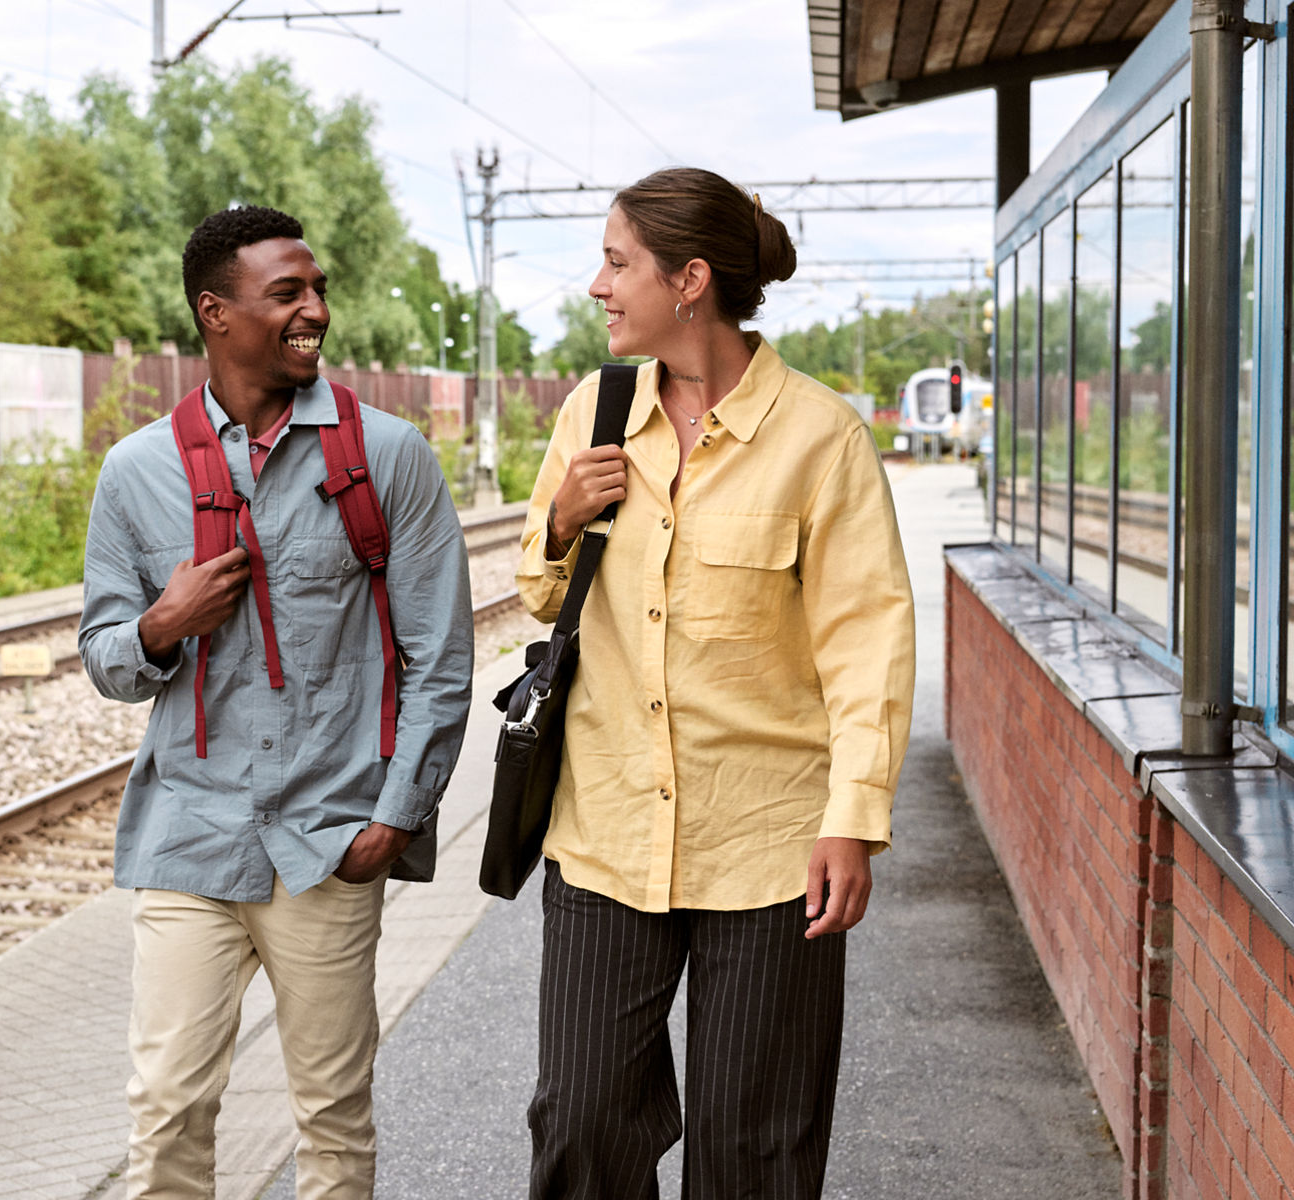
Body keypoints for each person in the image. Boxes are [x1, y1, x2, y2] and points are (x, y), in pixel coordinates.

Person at [515, 167, 915, 1197]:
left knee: (755, 1151)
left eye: (616, 263)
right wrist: (559, 519)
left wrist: (852, 819)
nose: (596, 285)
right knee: (582, 1123)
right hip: (605, 835)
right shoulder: (591, 414)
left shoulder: (820, 439)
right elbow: (536, 592)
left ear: (687, 280)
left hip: (770, 850)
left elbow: (865, 640)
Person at [79, 205, 473, 1200]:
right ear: (216, 313)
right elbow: (104, 657)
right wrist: (161, 625)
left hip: (329, 835)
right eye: (286, 294)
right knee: (165, 1105)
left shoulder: (384, 458)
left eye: (317, 290)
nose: (316, 313)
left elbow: (440, 659)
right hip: (190, 829)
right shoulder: (136, 473)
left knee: (332, 1116)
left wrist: (394, 818)